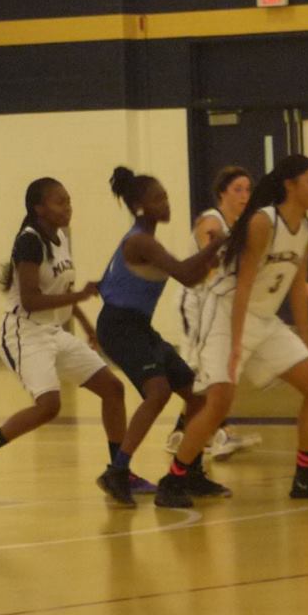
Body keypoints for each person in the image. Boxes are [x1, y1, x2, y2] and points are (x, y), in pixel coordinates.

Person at [158, 153, 308, 507]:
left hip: (262, 320)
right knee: (218, 402)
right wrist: (233, 348)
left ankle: (306, 477)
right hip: (226, 313)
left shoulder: (306, 230)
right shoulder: (264, 222)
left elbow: (296, 286)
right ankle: (174, 479)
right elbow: (242, 285)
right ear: (290, 186)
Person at [0, 177, 132, 502]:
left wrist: (86, 325)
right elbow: (32, 300)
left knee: (113, 389)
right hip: (23, 332)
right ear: (39, 208)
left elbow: (60, 290)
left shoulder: (60, 237)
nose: (67, 208)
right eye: (59, 202)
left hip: (52, 332)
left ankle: (119, 472)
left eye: (69, 200)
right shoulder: (29, 242)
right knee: (49, 406)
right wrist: (80, 295)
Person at [91, 167, 230, 507]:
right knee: (159, 391)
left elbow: (191, 277)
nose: (166, 203)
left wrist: (213, 253)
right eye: (158, 198)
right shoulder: (140, 241)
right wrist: (219, 244)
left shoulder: (149, 240)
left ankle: (191, 473)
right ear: (139, 206)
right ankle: (117, 471)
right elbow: (185, 273)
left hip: (139, 326)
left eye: (166, 196)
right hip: (119, 325)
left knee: (197, 396)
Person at [174, 166, 259, 462]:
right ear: (222, 192)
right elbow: (208, 262)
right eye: (238, 189)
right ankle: (217, 431)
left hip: (216, 303)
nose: (244, 195)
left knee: (208, 368)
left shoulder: (239, 226)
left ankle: (182, 431)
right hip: (195, 301)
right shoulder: (212, 221)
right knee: (202, 367)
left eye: (248, 189)